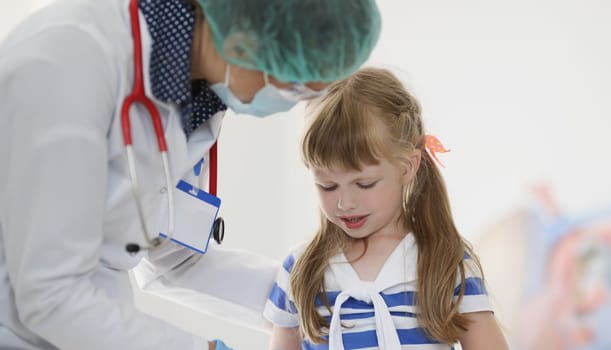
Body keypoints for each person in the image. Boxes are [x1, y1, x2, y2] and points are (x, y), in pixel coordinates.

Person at [0, 0, 381, 349]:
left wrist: (319, 293)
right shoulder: (69, 60)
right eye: (295, 85)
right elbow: (50, 293)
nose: (292, 103)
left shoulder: (200, 96)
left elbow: (170, 257)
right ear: (245, 41)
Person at [263, 67, 510, 349]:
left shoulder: (445, 262)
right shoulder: (300, 270)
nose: (345, 202)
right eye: (328, 186)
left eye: (364, 184)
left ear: (407, 167)